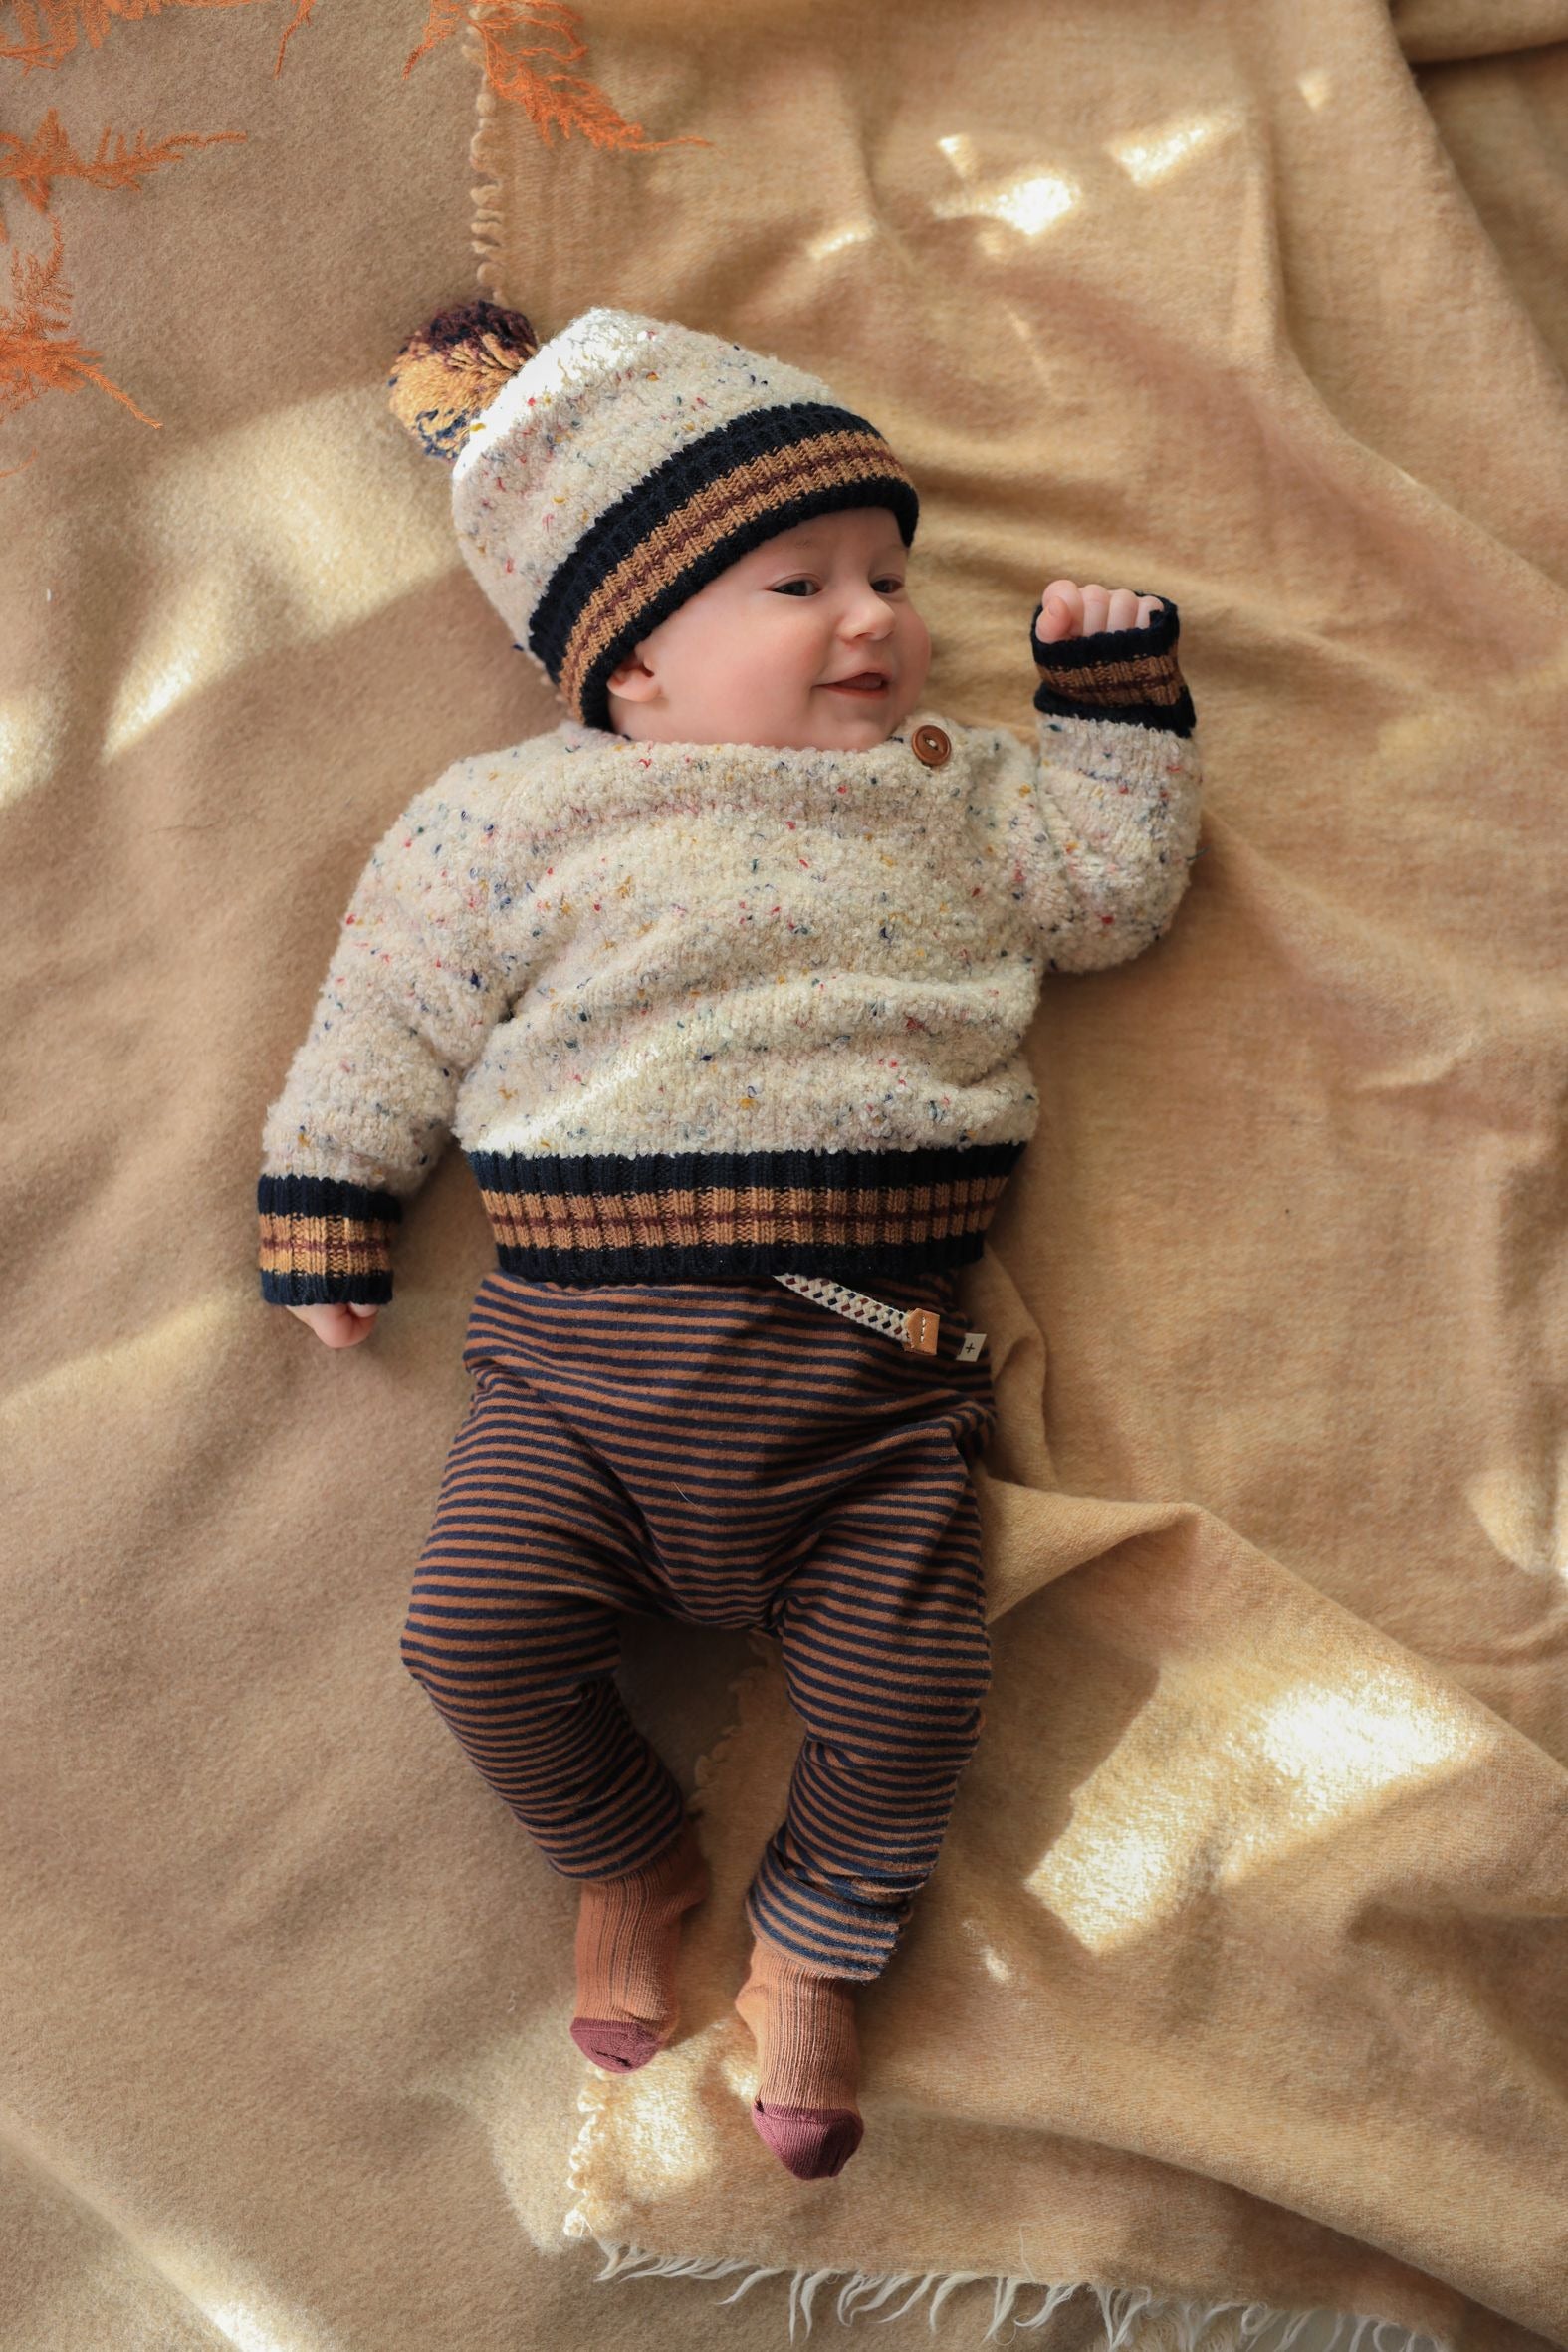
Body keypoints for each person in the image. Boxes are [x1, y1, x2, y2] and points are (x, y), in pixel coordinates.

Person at [256, 299, 1203, 2181]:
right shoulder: (507, 821)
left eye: (891, 573)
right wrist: (331, 1184)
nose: (877, 618)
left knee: (914, 1696)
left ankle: (811, 1943)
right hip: (575, 1382)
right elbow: (389, 1012)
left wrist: (1114, 723)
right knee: (469, 1639)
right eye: (802, 580)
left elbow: (1113, 898)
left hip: (865, 1387)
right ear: (637, 663)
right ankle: (628, 1857)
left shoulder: (953, 791)